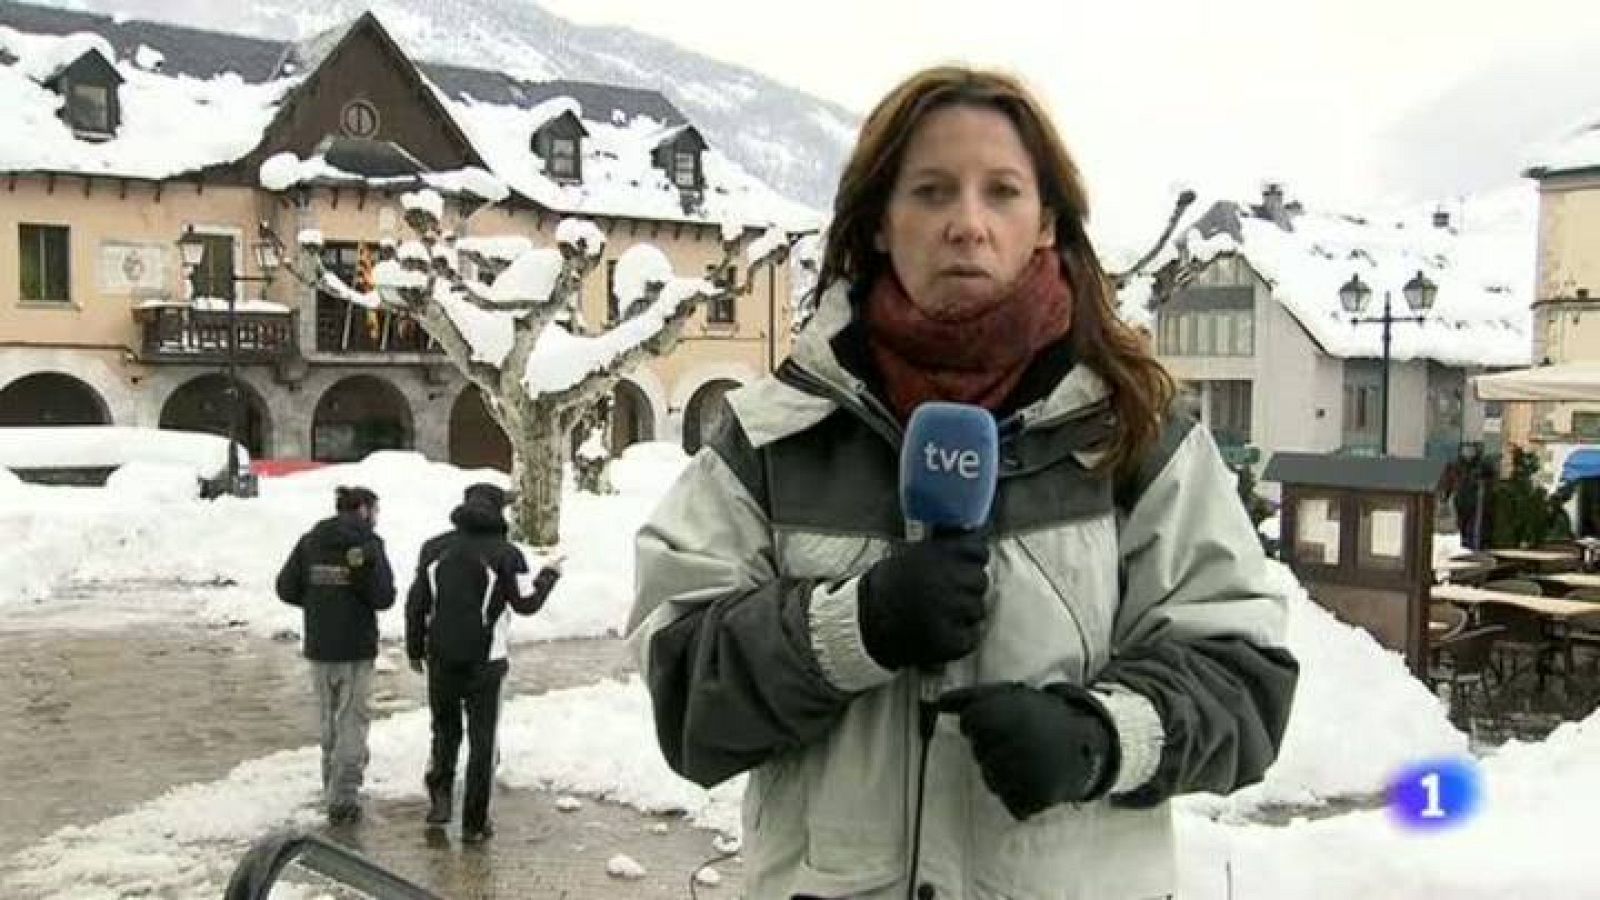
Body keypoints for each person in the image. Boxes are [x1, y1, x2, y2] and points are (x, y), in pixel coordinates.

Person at [627, 66, 1299, 899]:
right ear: (879, 223)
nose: (967, 226)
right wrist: (853, 627)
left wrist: (1100, 735)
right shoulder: (773, 436)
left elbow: (1245, 682)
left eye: (1003, 192)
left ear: (1046, 222)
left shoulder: (1138, 435)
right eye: (932, 192)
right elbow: (686, 693)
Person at [406, 483, 562, 843]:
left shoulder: (433, 549)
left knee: (444, 731)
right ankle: (475, 823)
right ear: (497, 511)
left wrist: (416, 650)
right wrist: (549, 575)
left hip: (441, 658)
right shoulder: (507, 554)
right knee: (482, 741)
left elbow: (417, 605)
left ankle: (440, 800)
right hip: (486, 663)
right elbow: (526, 604)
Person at [276, 485, 395, 826]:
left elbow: (286, 587)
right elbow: (383, 597)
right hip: (355, 648)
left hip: (319, 646)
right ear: (362, 510)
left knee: (329, 717)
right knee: (352, 721)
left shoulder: (310, 541)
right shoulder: (370, 546)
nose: (376, 517)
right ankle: (343, 797)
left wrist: (318, 602)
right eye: (374, 510)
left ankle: (330, 783)